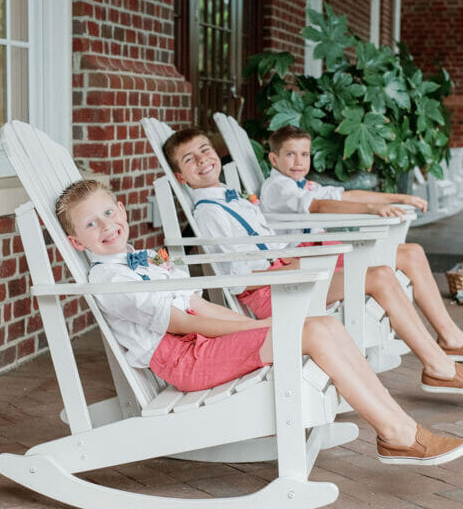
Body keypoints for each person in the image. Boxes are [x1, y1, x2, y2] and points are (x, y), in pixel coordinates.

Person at [55, 177, 463, 466]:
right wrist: (261, 328)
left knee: (323, 326)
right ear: (76, 242)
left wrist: (253, 324)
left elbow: (199, 307)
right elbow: (182, 323)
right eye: (91, 224)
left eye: (109, 212)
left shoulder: (137, 260)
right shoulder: (110, 278)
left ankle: (400, 432)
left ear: (122, 210)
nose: (107, 225)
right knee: (311, 330)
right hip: (184, 359)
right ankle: (399, 436)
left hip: (199, 342)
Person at [163, 126, 463, 395]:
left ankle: (439, 362)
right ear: (180, 177)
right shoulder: (209, 213)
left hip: (288, 274)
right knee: (381, 276)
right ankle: (439, 366)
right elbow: (240, 278)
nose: (202, 160)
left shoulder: (234, 199)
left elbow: (274, 245)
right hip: (275, 291)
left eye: (205, 150)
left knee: (382, 272)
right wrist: (298, 265)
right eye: (189, 159)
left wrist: (299, 261)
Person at [260, 124, 463, 362]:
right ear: (274, 159)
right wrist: (372, 209)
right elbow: (319, 207)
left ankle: (450, 336)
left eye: (304, 154)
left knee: (412, 252)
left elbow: (346, 195)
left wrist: (398, 197)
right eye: (290, 154)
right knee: (406, 256)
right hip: (304, 262)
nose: (298, 161)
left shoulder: (300, 184)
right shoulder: (278, 187)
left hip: (321, 252)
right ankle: (450, 339)